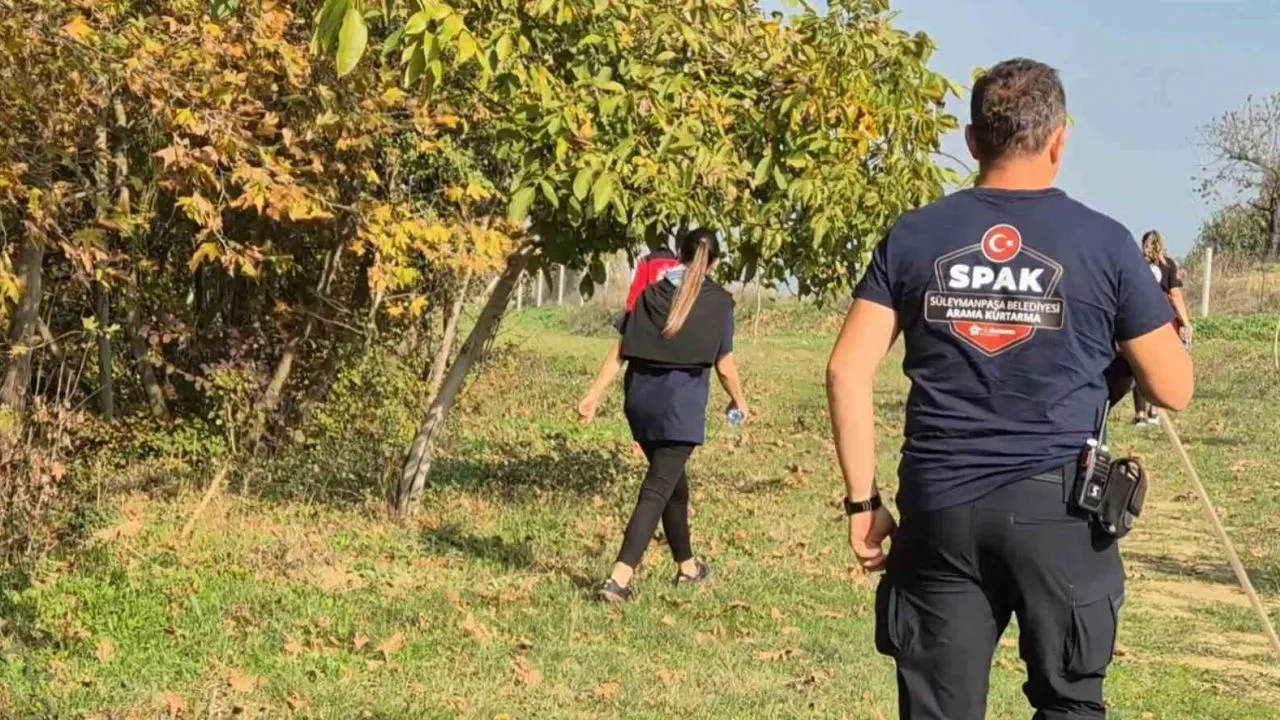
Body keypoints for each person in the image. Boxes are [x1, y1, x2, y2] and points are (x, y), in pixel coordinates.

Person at [825, 58, 1193, 719]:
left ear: (972, 141)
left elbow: (846, 369)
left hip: (939, 506)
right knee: (1068, 702)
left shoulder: (915, 235)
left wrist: (862, 501)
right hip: (1059, 512)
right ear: (1059, 140)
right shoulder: (1106, 244)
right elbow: (1173, 387)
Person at [576, 228, 748, 603]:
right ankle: (618, 579)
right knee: (656, 490)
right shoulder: (719, 304)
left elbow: (621, 351)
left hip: (640, 406)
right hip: (679, 412)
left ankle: (688, 569)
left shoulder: (651, 294)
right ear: (714, 263)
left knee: (673, 486)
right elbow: (725, 365)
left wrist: (593, 395)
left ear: (678, 255)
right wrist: (739, 401)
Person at [1132, 229, 1193, 426]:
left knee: (1140, 364)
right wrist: (1185, 322)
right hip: (1163, 318)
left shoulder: (1135, 264)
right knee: (1159, 363)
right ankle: (1155, 411)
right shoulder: (1168, 265)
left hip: (1139, 316)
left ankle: (1140, 413)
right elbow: (1175, 295)